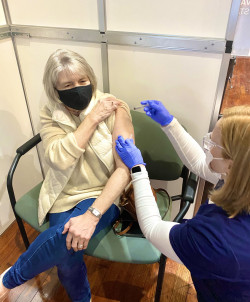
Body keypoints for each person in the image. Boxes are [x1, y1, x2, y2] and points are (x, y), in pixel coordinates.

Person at [0, 49, 134, 302]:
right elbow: (59, 159)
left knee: (64, 241)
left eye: (83, 81)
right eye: (68, 84)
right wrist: (92, 118)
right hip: (64, 192)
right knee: (69, 251)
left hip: (104, 193)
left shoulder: (116, 107)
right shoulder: (50, 112)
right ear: (55, 89)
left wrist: (92, 216)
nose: (78, 88)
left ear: (91, 78)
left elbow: (123, 170)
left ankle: (8, 280)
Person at [116, 100, 250, 302]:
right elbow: (200, 165)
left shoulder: (214, 238)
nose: (208, 148)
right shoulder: (239, 177)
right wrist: (169, 123)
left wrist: (137, 167)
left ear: (232, 163)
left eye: (212, 144)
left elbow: (152, 228)